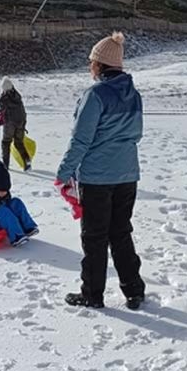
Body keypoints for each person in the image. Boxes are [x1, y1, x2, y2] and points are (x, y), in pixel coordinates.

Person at [56, 31, 146, 310]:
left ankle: (92, 294)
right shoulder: (134, 95)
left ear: (100, 65)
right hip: (128, 175)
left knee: (94, 237)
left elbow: (81, 139)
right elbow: (136, 134)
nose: (89, 66)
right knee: (121, 232)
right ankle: (134, 290)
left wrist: (63, 173)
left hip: (97, 178)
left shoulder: (95, 95)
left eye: (91, 62)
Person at [0, 77, 30, 170]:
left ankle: (5, 165)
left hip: (9, 124)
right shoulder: (18, 97)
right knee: (19, 143)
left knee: (6, 143)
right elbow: (23, 112)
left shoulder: (4, 98)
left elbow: (0, 107)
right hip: (21, 123)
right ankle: (27, 162)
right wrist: (23, 124)